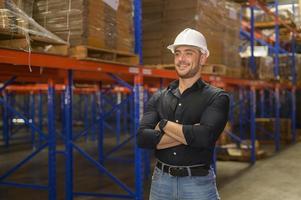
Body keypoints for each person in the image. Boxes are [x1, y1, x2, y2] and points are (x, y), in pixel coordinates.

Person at [137, 28, 230, 200]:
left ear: (202, 58)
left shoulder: (217, 97)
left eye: (189, 53)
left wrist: (164, 125)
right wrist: (189, 133)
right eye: (177, 53)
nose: (181, 59)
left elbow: (205, 137)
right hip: (160, 183)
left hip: (198, 185)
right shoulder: (158, 97)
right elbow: (142, 138)